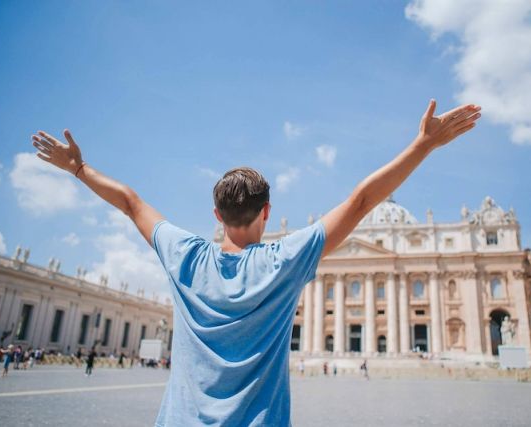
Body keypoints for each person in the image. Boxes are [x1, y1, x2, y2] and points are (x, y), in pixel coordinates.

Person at [31, 99, 480, 426]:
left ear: (216, 216)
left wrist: (77, 169)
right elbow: (361, 201)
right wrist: (424, 144)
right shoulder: (285, 261)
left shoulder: (183, 254)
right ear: (267, 212)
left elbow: (130, 203)